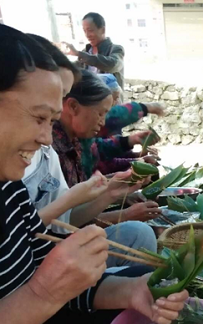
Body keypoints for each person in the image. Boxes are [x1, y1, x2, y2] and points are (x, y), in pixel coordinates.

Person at [0, 25, 186, 324]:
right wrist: (44, 292)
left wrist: (130, 291)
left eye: (49, 122)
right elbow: (43, 287)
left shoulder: (9, 187)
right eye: (38, 118)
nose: (46, 139)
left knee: (132, 311)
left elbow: (39, 265)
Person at [51, 70, 162, 227]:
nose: (103, 123)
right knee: (139, 231)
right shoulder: (51, 150)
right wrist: (124, 215)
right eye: (101, 114)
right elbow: (61, 223)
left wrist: (118, 193)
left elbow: (79, 199)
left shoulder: (77, 139)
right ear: (73, 106)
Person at [63, 12, 125, 88]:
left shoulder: (116, 49)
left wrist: (79, 54)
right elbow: (75, 67)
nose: (87, 35)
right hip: (91, 98)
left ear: (103, 30)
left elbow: (113, 65)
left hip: (112, 98)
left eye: (90, 30)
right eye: (85, 31)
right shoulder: (86, 51)